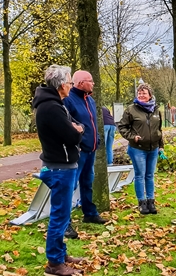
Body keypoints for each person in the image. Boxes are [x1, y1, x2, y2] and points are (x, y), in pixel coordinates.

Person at [33, 65, 84, 276]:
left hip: (64, 165)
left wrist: (76, 129)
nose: (72, 86)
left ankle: (61, 255)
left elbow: (77, 125)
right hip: (60, 168)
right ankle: (54, 263)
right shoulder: (51, 108)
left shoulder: (56, 104)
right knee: (59, 216)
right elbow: (73, 135)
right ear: (62, 85)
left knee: (63, 214)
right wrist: (77, 131)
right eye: (70, 82)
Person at [63, 70, 107, 239]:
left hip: (91, 149)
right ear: (80, 83)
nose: (93, 83)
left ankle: (89, 213)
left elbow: (92, 123)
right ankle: (65, 223)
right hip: (78, 151)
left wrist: (97, 138)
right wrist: (78, 143)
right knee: (71, 185)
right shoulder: (68, 100)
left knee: (87, 182)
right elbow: (68, 124)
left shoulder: (90, 100)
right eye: (90, 81)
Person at [117, 83, 164, 214]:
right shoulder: (131, 109)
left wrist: (161, 147)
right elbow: (122, 127)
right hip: (137, 148)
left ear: (150, 95)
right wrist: (133, 137)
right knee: (140, 175)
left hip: (153, 148)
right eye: (139, 93)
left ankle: (151, 201)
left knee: (150, 175)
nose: (141, 95)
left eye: (144, 93)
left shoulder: (156, 110)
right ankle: (142, 203)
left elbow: (158, 130)